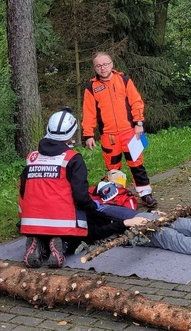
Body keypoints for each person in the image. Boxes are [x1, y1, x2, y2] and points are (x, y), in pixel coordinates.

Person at [18, 109, 131, 269]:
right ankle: (62, 244)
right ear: (71, 134)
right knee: (82, 236)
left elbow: (23, 191)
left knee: (46, 229)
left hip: (31, 221)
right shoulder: (73, 159)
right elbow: (80, 196)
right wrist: (94, 208)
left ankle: (40, 243)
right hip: (63, 223)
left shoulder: (32, 158)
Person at [89, 180, 191, 260]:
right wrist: (125, 225)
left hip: (141, 217)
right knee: (171, 237)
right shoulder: (81, 216)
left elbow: (122, 210)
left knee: (189, 225)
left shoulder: (92, 199)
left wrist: (151, 213)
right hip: (130, 229)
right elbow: (94, 234)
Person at [82, 52, 158, 209]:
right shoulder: (91, 88)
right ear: (95, 68)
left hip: (130, 132)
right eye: (98, 66)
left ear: (111, 64)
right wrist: (88, 134)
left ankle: (145, 194)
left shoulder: (124, 81)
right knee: (113, 168)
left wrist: (139, 123)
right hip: (109, 136)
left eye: (105, 64)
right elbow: (88, 113)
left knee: (137, 164)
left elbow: (136, 102)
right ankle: (118, 197)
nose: (102, 68)